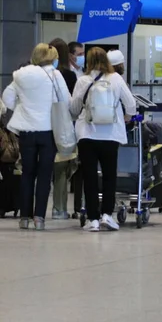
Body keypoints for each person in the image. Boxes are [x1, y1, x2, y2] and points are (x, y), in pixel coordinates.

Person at [2, 43, 71, 230]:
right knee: (44, 175)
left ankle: (24, 217)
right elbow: (66, 100)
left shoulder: (21, 75)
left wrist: (23, 105)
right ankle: (39, 217)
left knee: (27, 173)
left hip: (26, 131)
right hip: (48, 131)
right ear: (52, 58)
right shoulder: (55, 75)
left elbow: (7, 99)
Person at [69, 47, 136, 232]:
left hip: (87, 134)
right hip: (110, 134)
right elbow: (131, 105)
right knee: (109, 176)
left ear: (88, 61)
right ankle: (107, 215)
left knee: (89, 177)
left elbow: (74, 108)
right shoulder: (116, 79)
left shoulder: (83, 80)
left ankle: (93, 219)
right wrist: (126, 118)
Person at [49, 38, 79, 220]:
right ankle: (59, 208)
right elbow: (73, 104)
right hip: (64, 125)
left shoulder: (42, 75)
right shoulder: (68, 75)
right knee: (63, 166)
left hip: (45, 125)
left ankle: (53, 208)